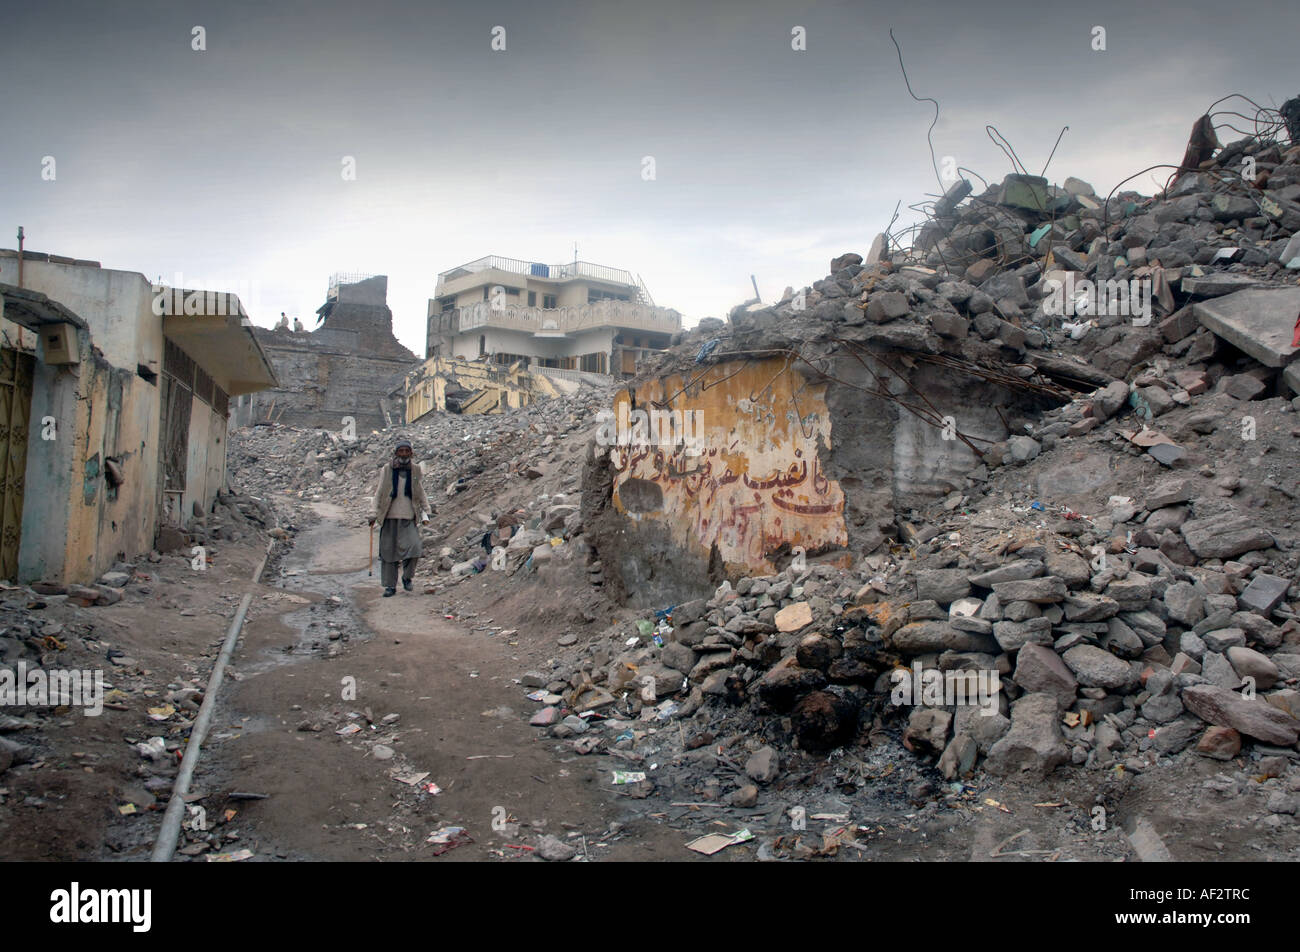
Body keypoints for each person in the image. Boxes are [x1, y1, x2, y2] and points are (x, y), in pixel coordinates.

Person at [369, 438, 429, 596]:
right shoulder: (387, 469)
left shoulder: (415, 470)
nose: (403, 454)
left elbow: (420, 490)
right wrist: (373, 512)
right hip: (389, 517)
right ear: (395, 453)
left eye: (406, 451)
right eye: (401, 451)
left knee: (415, 548)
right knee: (389, 553)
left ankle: (407, 578)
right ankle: (390, 586)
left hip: (409, 517)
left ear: (411, 453)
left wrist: (426, 508)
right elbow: (380, 491)